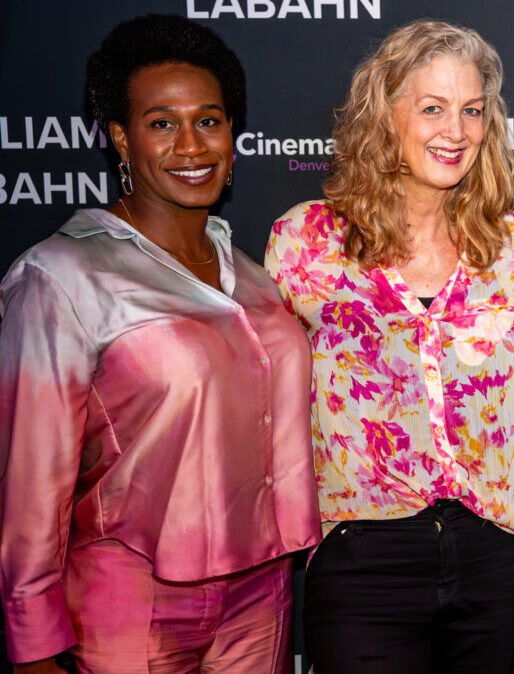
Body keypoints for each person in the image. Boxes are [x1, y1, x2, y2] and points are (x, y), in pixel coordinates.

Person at [0, 14, 320, 674]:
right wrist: (33, 644)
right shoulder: (62, 275)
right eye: (161, 123)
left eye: (209, 120)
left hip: (262, 593)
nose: (191, 145)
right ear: (121, 137)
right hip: (131, 596)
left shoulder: (251, 276)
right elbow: (32, 477)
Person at [264, 20, 514, 674]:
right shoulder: (307, 242)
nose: (456, 130)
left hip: (494, 550)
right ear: (385, 116)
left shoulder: (513, 244)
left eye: (472, 110)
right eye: (433, 108)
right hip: (365, 558)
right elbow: (260, 398)